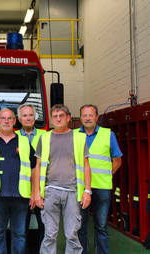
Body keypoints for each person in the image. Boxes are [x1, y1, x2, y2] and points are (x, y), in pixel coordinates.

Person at [33, 104, 91, 254]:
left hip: (72, 192)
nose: (58, 119)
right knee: (50, 234)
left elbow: (86, 165)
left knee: (72, 234)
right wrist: (37, 193)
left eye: (61, 116)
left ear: (68, 118)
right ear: (51, 119)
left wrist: (87, 191)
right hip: (50, 191)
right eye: (55, 116)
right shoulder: (44, 138)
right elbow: (37, 166)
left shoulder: (79, 137)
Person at [0, 108, 36, 254]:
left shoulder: (24, 141)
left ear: (14, 121)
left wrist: (34, 193)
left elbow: (33, 168)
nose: (6, 121)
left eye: (10, 118)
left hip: (21, 196)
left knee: (20, 234)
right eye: (3, 118)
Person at [77, 104, 122, 254]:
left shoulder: (108, 135)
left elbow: (117, 161)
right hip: (81, 188)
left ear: (96, 117)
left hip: (102, 188)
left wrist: (106, 176)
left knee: (101, 226)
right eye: (85, 115)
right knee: (81, 225)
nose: (88, 118)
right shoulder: (75, 135)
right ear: (80, 118)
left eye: (91, 115)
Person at [15, 103, 46, 252]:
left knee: (45, 227)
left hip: (42, 190)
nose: (28, 118)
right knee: (21, 229)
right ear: (19, 119)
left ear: (36, 117)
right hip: (21, 191)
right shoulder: (13, 137)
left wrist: (37, 192)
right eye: (25, 116)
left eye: (31, 115)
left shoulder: (45, 136)